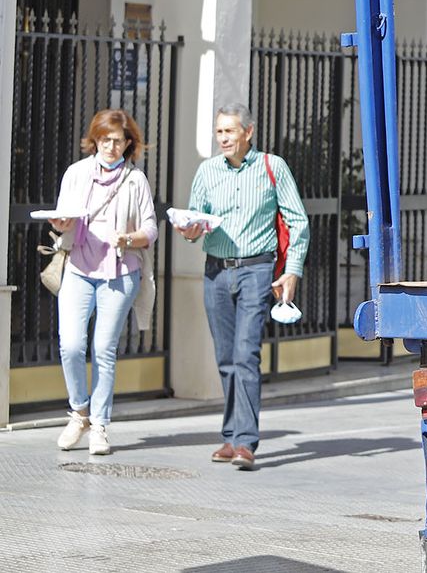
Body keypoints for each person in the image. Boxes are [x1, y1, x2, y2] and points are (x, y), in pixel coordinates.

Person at [177, 103, 309, 471]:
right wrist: (190, 230)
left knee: (246, 353)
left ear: (248, 132)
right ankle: (231, 435)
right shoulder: (207, 171)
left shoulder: (272, 167)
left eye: (229, 131)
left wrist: (292, 271)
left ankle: (246, 442)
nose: (223, 138)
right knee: (225, 357)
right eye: (219, 132)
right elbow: (196, 219)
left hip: (256, 270)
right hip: (215, 271)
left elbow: (298, 222)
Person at [50, 109, 159, 457]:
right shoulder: (76, 173)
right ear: (94, 139)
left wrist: (128, 238)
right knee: (70, 346)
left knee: (103, 351)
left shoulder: (135, 180)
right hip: (79, 269)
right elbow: (62, 219)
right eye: (105, 138)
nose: (111, 146)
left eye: (118, 141)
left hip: (120, 272)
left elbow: (151, 229)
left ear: (128, 144)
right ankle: (78, 413)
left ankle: (99, 425)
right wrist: (61, 223)